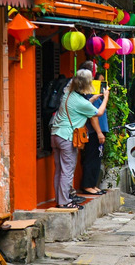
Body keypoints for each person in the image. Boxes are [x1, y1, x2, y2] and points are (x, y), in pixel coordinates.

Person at [51, 69, 109, 209]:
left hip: (56, 134)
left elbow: (79, 106)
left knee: (59, 170)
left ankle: (61, 200)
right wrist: (105, 97)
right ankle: (65, 202)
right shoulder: (80, 102)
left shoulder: (68, 95)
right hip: (67, 137)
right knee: (67, 170)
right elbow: (99, 112)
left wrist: (93, 99)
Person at [80, 72, 109, 195]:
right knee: (91, 157)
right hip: (93, 132)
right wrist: (98, 132)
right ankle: (87, 185)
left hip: (100, 131)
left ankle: (92, 184)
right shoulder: (89, 96)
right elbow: (93, 116)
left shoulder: (96, 96)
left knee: (97, 158)